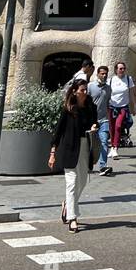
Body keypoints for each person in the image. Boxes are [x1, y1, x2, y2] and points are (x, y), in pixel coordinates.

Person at [49, 78, 98, 233]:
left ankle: (67, 204)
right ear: (75, 91)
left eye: (86, 90)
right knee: (72, 183)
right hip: (69, 149)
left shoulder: (91, 106)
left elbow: (95, 122)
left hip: (85, 146)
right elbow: (58, 131)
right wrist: (52, 153)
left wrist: (95, 126)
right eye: (82, 90)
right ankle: (72, 218)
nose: (85, 93)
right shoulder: (68, 109)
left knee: (82, 182)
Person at [87, 65, 114, 176]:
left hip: (104, 120)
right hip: (91, 120)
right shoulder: (90, 86)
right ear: (97, 74)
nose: (104, 75)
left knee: (104, 142)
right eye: (102, 73)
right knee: (89, 145)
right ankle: (88, 165)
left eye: (106, 73)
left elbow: (107, 104)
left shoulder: (108, 88)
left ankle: (103, 166)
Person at [108, 60, 136, 159]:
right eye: (120, 68)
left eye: (124, 68)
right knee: (111, 127)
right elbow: (107, 94)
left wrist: (134, 106)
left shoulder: (128, 79)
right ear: (116, 70)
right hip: (111, 106)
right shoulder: (111, 80)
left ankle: (115, 147)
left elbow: (132, 94)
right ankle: (112, 146)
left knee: (118, 126)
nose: (122, 70)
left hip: (123, 107)